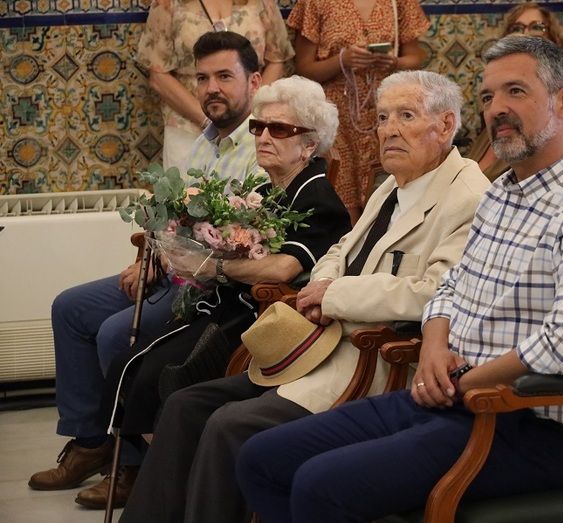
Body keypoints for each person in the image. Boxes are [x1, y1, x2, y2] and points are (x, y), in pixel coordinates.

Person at [234, 35, 563, 522]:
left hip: (525, 423)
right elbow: (449, 288)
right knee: (261, 459)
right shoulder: (503, 194)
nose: (496, 109)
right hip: (450, 397)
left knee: (320, 486)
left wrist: (465, 380)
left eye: (515, 91)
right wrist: (433, 347)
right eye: (488, 96)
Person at [118, 70, 490, 523]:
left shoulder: (468, 197)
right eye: (382, 117)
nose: (388, 130)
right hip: (315, 346)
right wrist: (322, 284)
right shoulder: (394, 184)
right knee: (186, 405)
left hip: (369, 359)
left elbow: (435, 292)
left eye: (406, 116)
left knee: (229, 425)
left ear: (446, 125)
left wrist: (332, 295)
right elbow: (340, 249)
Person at [90, 74, 353, 509]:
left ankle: (172, 480)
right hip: (223, 308)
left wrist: (214, 266)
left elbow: (285, 266)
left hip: (260, 325)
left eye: (279, 129)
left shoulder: (317, 196)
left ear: (309, 144)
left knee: (159, 376)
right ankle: (166, 477)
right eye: (259, 127)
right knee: (129, 364)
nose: (263, 137)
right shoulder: (265, 190)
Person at [27, 31, 266, 508]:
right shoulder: (204, 141)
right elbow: (170, 214)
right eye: (203, 78)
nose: (211, 88)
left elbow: (240, 239)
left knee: (115, 333)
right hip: (169, 270)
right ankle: (91, 442)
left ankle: (134, 466)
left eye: (224, 76)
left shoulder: (262, 146)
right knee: (70, 308)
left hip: (208, 286)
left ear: (254, 81)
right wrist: (149, 256)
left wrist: (169, 260)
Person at [287, 0, 430, 223]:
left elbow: (416, 57)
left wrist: (393, 62)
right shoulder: (315, 3)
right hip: (337, 119)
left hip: (386, 117)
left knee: (388, 198)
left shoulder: (399, 2)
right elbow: (303, 68)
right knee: (342, 202)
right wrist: (341, 60)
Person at [136, 0, 293, 172]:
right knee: (186, 187)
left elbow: (277, 59)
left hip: (250, 126)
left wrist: (251, 115)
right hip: (187, 126)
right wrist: (209, 121)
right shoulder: (168, 3)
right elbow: (158, 74)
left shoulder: (262, 2)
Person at [466, 1, 563, 182]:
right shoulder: (495, 116)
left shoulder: (549, 125)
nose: (525, 33)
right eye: (517, 28)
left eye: (536, 27)